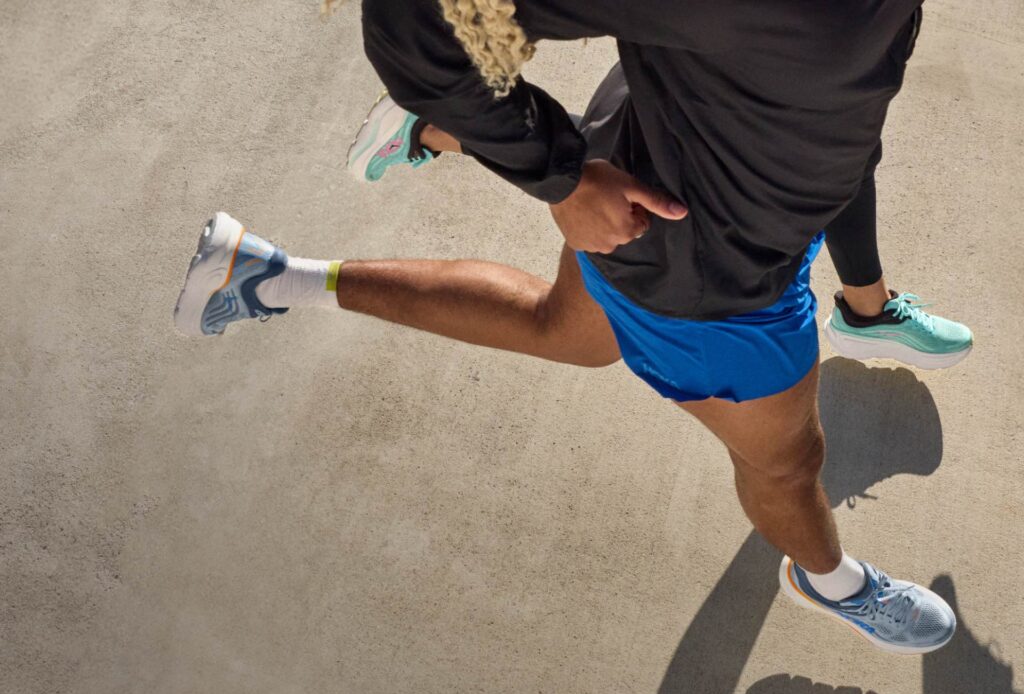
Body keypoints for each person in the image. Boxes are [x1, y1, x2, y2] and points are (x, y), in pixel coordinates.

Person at [174, 0, 973, 653]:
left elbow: (847, 110)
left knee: (562, 330)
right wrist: (555, 173)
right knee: (788, 464)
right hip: (708, 276)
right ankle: (826, 580)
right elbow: (424, 22)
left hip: (675, 158)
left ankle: (273, 275)